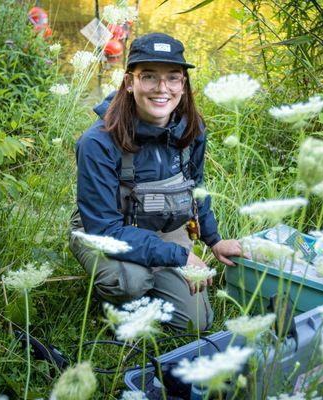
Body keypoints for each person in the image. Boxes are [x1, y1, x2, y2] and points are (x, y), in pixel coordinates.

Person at [69, 32, 242, 331]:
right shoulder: (96, 143)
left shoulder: (193, 130)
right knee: (129, 281)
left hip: (163, 223)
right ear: (129, 82)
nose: (162, 89)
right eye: (149, 77)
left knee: (195, 323)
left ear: (183, 85)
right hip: (106, 228)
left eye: (173, 78)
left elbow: (195, 190)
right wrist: (180, 255)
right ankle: (120, 303)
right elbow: (104, 228)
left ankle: (152, 283)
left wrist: (214, 240)